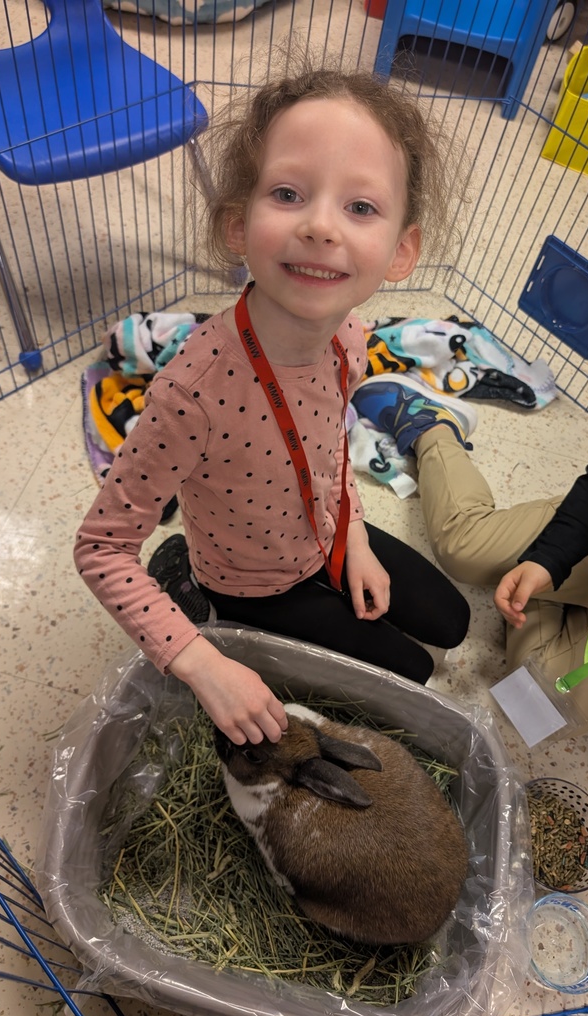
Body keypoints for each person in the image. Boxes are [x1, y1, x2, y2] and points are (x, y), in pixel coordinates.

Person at [74, 64, 472, 747]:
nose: (320, 226)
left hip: (325, 535)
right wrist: (201, 664)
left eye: (360, 207)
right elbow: (100, 548)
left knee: (454, 622)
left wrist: (353, 537)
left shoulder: (349, 335)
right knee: (410, 672)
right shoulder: (190, 394)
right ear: (237, 223)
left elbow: (329, 443)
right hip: (252, 584)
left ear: (401, 250)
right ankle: (198, 590)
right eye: (288, 193)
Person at [352, 376, 588, 861]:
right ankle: (433, 428)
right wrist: (548, 560)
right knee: (463, 548)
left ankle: (549, 606)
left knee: (535, 705)